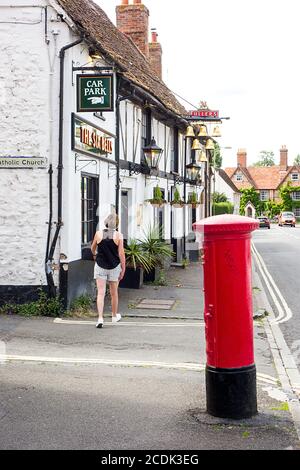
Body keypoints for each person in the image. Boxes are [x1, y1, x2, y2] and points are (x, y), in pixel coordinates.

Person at [91, 213, 126, 329]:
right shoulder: (119, 236)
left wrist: (95, 255)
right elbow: (121, 254)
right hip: (114, 267)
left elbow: (92, 248)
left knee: (100, 293)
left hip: (100, 266)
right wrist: (123, 268)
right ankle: (114, 316)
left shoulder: (99, 234)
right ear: (116, 224)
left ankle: (100, 318)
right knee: (114, 293)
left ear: (106, 222)